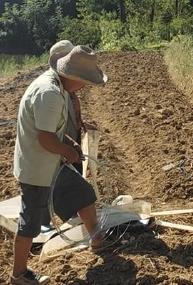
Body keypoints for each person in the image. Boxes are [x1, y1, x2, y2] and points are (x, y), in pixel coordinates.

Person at [11, 40, 107, 285]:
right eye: (84, 81)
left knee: (84, 193)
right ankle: (18, 275)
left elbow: (51, 130)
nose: (84, 87)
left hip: (51, 161)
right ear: (71, 75)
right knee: (30, 222)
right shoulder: (50, 94)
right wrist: (68, 151)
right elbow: (44, 138)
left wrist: (70, 144)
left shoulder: (59, 87)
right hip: (38, 167)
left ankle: (97, 240)